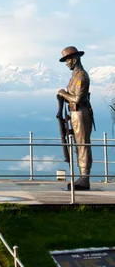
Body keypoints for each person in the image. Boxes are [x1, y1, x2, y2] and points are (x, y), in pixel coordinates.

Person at [57, 46, 93, 191]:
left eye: (67, 60)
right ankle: (82, 176)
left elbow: (78, 98)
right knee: (79, 145)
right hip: (75, 113)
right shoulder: (75, 76)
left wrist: (63, 94)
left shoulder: (81, 77)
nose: (66, 63)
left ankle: (85, 178)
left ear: (74, 59)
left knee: (83, 145)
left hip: (80, 113)